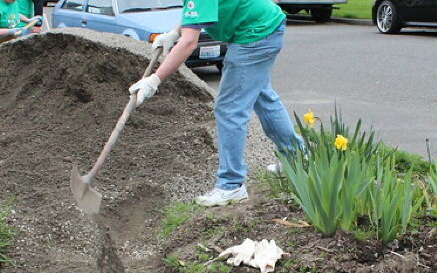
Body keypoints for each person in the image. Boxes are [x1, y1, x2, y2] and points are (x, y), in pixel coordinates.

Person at [128, 0, 305, 207]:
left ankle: (231, 185)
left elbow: (189, 43)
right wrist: (175, 32)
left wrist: (154, 80)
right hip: (262, 26)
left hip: (255, 35)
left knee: (229, 109)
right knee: (262, 97)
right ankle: (297, 157)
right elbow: (201, 13)